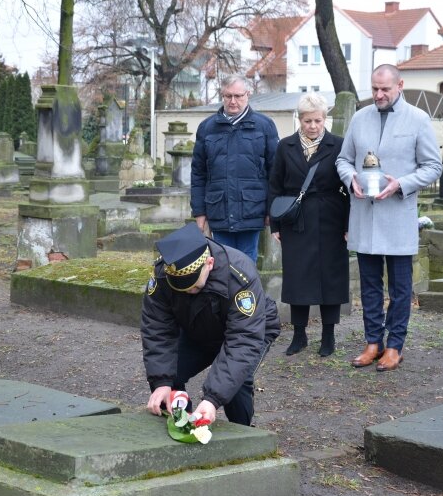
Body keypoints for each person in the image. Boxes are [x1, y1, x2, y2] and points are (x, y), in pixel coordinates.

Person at [336, 64, 442, 371]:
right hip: (364, 215)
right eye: (374, 89)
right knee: (369, 284)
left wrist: (402, 184)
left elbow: (432, 167)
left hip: (397, 214)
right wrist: (351, 177)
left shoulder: (418, 120)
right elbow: (343, 160)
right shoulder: (359, 118)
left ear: (400, 86)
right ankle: (373, 341)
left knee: (399, 287)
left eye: (385, 89)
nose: (379, 95)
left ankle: (395, 345)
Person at [141, 223, 281, 425]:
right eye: (182, 289)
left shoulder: (240, 276)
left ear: (209, 263)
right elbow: (157, 329)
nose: (188, 292)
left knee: (237, 383)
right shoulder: (164, 274)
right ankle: (184, 425)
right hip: (199, 328)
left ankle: (243, 436)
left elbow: (242, 342)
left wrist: (212, 400)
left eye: (194, 287)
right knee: (171, 377)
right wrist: (161, 381)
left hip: (251, 330)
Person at [268, 93, 349, 357]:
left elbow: (348, 187)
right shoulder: (285, 146)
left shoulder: (338, 145)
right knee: (297, 277)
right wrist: (275, 225)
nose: (312, 126)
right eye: (307, 121)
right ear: (299, 120)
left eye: (317, 120)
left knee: (331, 277)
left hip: (331, 217)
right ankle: (299, 335)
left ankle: (328, 336)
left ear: (325, 119)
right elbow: (275, 187)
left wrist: (349, 224)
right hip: (296, 219)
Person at [190, 74, 280, 264]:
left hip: (252, 209)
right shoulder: (207, 128)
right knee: (222, 266)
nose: (233, 101)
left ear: (248, 94)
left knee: (247, 266)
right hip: (218, 209)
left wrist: (272, 210)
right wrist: (199, 213)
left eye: (238, 96)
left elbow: (276, 172)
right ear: (222, 96)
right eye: (228, 96)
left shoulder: (264, 126)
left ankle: (247, 295)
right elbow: (198, 173)